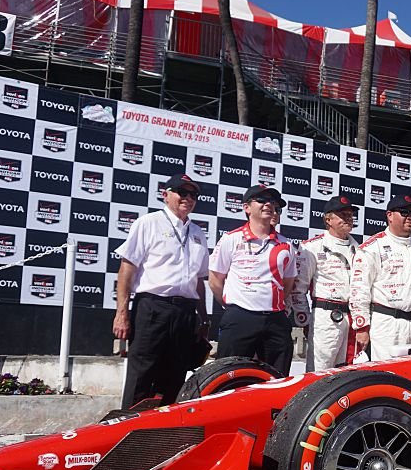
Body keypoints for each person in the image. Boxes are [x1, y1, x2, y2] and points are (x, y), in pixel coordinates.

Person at [112, 173, 210, 410]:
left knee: (176, 375)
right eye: (182, 192)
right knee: (142, 374)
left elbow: (198, 280)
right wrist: (121, 313)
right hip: (153, 307)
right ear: (165, 195)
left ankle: (161, 437)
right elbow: (127, 270)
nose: (188, 198)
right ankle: (128, 430)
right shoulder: (148, 223)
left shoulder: (198, 232)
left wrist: (204, 317)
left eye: (193, 194)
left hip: (185, 312)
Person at [209, 185, 296, 377]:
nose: (269, 205)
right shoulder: (231, 239)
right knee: (226, 377)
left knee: (277, 378)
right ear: (246, 207)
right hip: (240, 317)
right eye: (262, 200)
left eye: (272, 202)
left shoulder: (286, 244)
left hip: (276, 320)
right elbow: (215, 280)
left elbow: (288, 284)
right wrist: (234, 306)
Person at [350, 194, 411, 361]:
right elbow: (359, 290)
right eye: (404, 213)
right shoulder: (372, 247)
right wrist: (362, 327)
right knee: (386, 376)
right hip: (386, 324)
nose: (410, 217)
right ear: (389, 215)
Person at [290, 196, 359, 371]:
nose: (349, 218)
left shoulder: (360, 248)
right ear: (328, 219)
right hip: (326, 317)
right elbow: (298, 289)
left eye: (351, 214)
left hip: (353, 319)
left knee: (348, 372)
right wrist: (304, 320)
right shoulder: (312, 247)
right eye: (343, 214)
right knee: (320, 371)